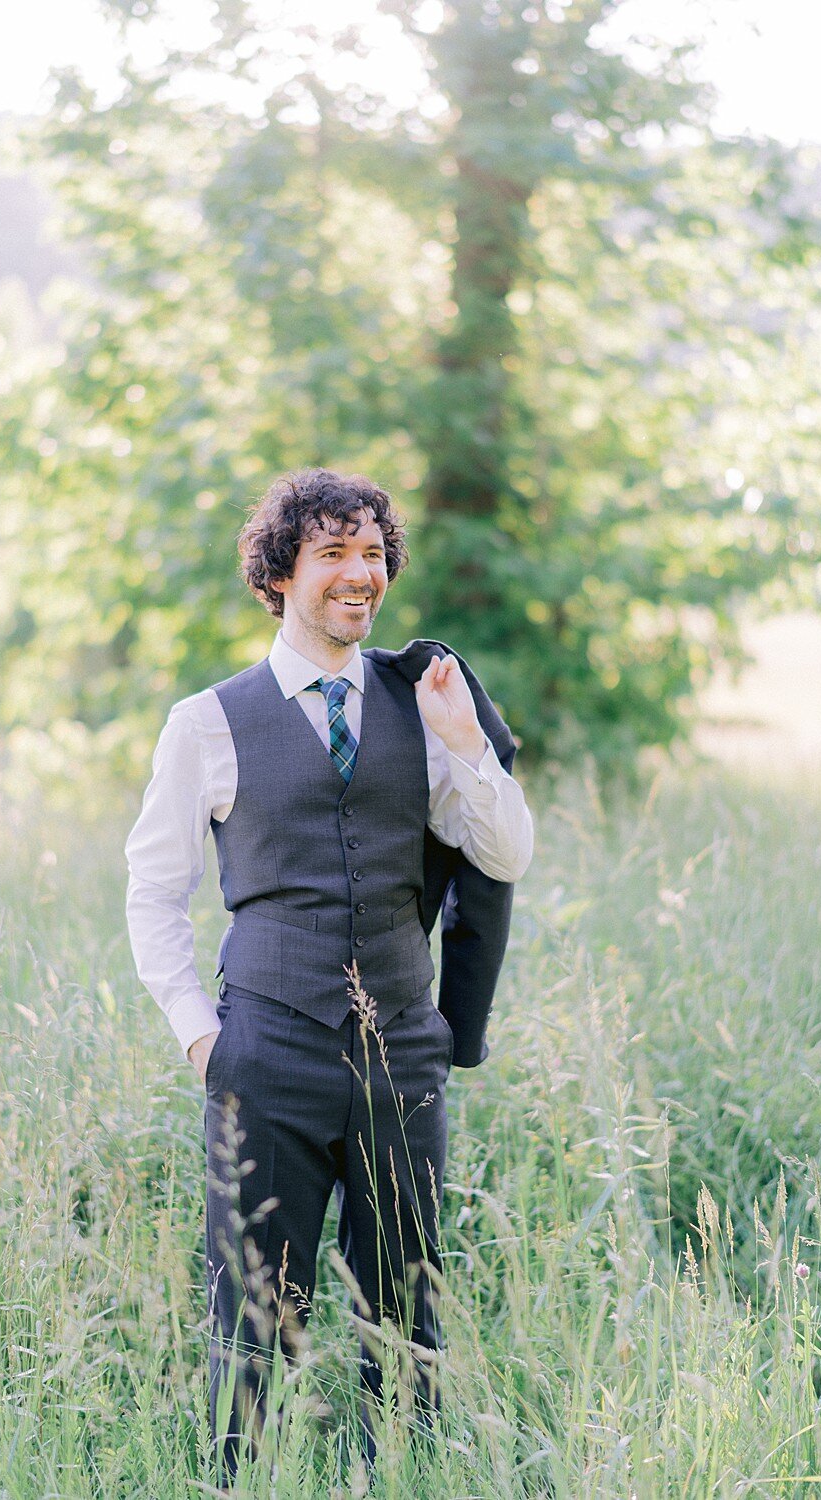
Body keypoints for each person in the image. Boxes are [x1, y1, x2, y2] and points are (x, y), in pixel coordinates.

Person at [124, 468, 534, 1483]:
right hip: (263, 1049)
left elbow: (507, 853)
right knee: (257, 1310)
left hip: (402, 1046)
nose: (362, 575)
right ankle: (241, 1480)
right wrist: (201, 1034)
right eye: (334, 554)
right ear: (279, 575)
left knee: (406, 1306)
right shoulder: (206, 724)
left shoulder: (422, 703)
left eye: (373, 553)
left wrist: (464, 745)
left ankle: (393, 1474)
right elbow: (152, 892)